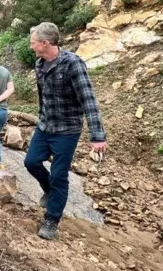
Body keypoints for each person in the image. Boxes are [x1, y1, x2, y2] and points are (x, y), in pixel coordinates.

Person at [22, 22, 107, 241]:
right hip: (45, 126)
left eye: (33, 43)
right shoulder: (39, 64)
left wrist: (97, 136)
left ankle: (52, 219)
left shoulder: (73, 64)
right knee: (31, 162)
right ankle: (49, 190)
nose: (31, 47)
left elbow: (88, 100)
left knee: (60, 175)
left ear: (45, 43)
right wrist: (41, 119)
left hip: (67, 130)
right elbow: (43, 97)